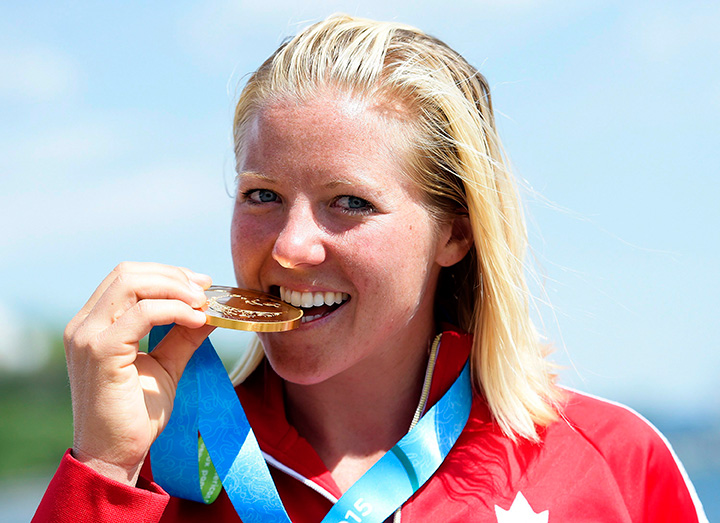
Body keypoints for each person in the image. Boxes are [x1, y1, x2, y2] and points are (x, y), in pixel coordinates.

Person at [33, 14, 707, 523]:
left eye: (349, 202)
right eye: (261, 194)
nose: (292, 246)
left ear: (456, 233)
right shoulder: (151, 475)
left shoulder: (615, 463)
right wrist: (101, 463)